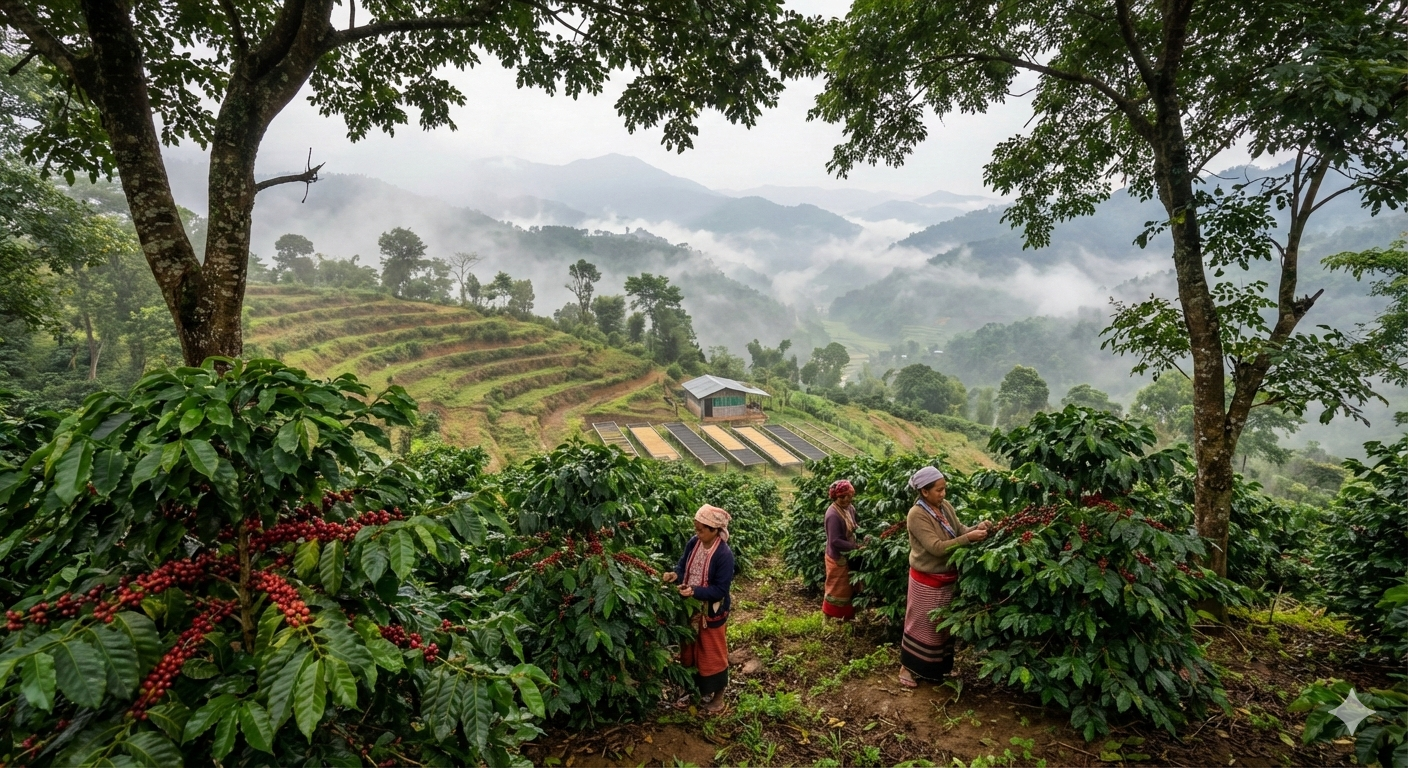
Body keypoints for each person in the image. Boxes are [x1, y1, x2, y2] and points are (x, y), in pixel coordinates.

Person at [899, 466, 991, 688]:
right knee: (921, 625)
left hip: (947, 577)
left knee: (941, 627)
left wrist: (977, 528)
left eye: (944, 489)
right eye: (938, 490)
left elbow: (959, 530)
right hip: (926, 580)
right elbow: (936, 547)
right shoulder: (916, 514)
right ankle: (908, 668)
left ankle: (934, 671)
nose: (943, 494)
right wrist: (969, 538)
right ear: (924, 492)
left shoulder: (944, 506)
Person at [663, 504, 735, 713]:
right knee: (689, 650)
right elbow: (682, 565)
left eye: (701, 530)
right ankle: (696, 691)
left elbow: (720, 590)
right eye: (696, 529)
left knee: (712, 653)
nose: (697, 533)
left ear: (715, 530)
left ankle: (718, 697)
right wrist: (675, 575)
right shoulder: (694, 542)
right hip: (690, 608)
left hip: (711, 612)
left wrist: (694, 591)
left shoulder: (724, 554)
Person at [822, 479, 864, 621]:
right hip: (837, 557)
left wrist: (863, 535)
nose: (846, 499)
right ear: (835, 497)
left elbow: (854, 525)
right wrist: (856, 547)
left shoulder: (850, 508)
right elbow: (835, 541)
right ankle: (828, 617)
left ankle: (847, 617)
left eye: (849, 496)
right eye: (842, 497)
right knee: (837, 589)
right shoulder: (832, 515)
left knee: (850, 588)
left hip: (849, 554)